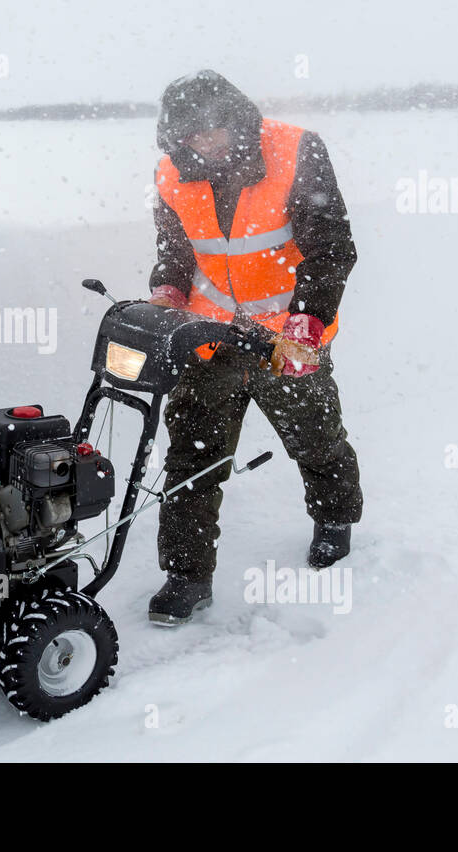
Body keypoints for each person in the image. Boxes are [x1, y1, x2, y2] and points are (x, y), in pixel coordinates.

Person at [145, 70, 364, 626]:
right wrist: (166, 290)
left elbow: (331, 246)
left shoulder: (294, 150)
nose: (208, 143)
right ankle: (187, 575)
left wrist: (307, 323)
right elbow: (175, 247)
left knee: (314, 434)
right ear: (176, 139)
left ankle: (335, 520)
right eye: (194, 136)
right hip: (211, 336)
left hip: (285, 331)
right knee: (193, 456)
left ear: (238, 118)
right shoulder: (171, 174)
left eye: (217, 130)